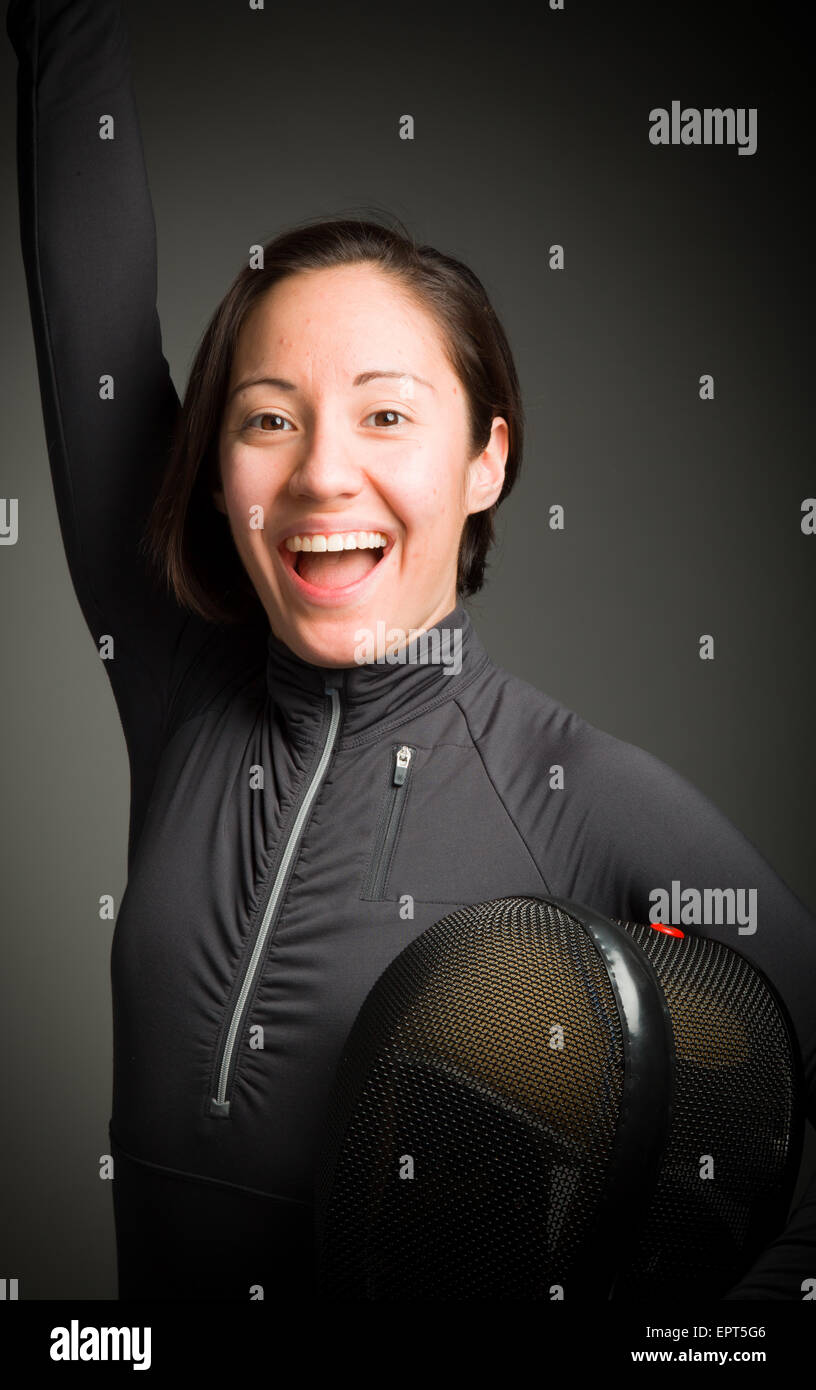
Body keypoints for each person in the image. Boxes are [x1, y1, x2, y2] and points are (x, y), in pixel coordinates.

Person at [7, 0, 815, 1302]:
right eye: (268, 419)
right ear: (215, 472)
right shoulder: (173, 673)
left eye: (388, 413)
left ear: (488, 458)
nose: (325, 472)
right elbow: (86, 286)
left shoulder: (577, 789)